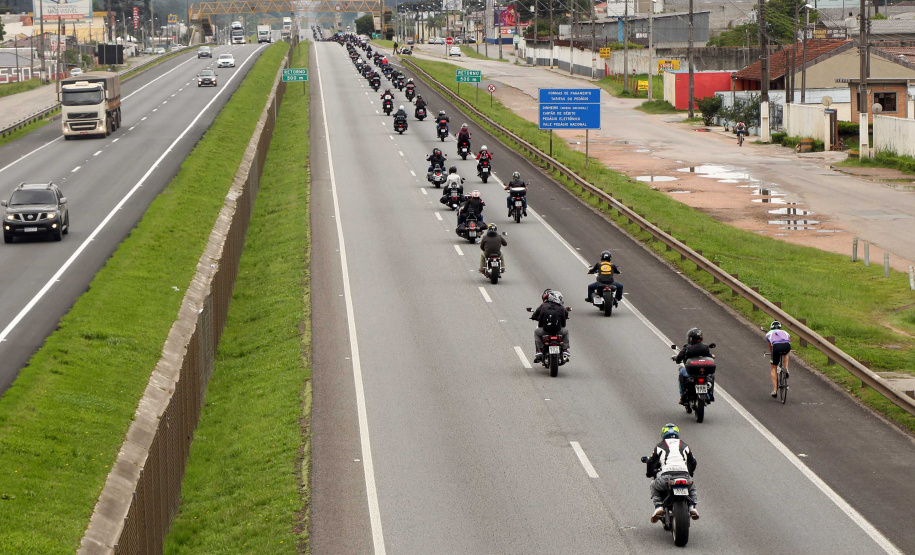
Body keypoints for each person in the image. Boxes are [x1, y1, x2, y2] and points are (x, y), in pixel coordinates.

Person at [644, 423, 699, 523]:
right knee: (692, 488)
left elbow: (651, 461)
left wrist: (649, 473)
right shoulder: (684, 445)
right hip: (684, 476)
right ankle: (692, 507)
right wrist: (690, 474)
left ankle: (658, 507)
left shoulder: (660, 446)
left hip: (667, 477)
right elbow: (693, 462)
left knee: (654, 486)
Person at [672, 328, 714, 405]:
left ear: (690, 338)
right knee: (711, 376)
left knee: (681, 371)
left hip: (691, 373)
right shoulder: (705, 347)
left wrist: (675, 358)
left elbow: (679, 358)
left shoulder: (687, 347)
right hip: (703, 372)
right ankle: (709, 394)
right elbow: (710, 356)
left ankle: (683, 396)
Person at [530, 289, 570, 363]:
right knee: (566, 331)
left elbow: (539, 320)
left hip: (545, 330)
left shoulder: (543, 306)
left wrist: (535, 318)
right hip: (558, 331)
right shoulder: (561, 307)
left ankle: (540, 350)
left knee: (536, 332)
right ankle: (565, 349)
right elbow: (564, 323)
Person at [766, 321, 791, 398]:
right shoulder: (785, 332)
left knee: (773, 367)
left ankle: (775, 389)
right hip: (786, 346)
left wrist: (772, 354)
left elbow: (770, 347)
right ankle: (786, 368)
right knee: (786, 353)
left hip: (776, 347)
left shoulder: (768, 334)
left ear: (771, 327)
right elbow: (788, 341)